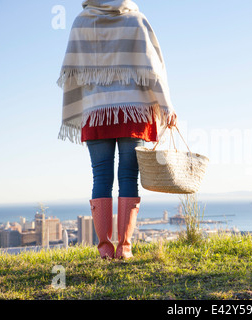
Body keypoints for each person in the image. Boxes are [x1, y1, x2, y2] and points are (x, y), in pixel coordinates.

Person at [57, 0, 177, 259]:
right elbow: (153, 70)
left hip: (96, 111)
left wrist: (85, 104)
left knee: (100, 176)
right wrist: (166, 106)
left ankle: (104, 250)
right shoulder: (136, 20)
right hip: (133, 110)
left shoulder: (81, 22)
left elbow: (71, 73)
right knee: (128, 177)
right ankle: (124, 248)